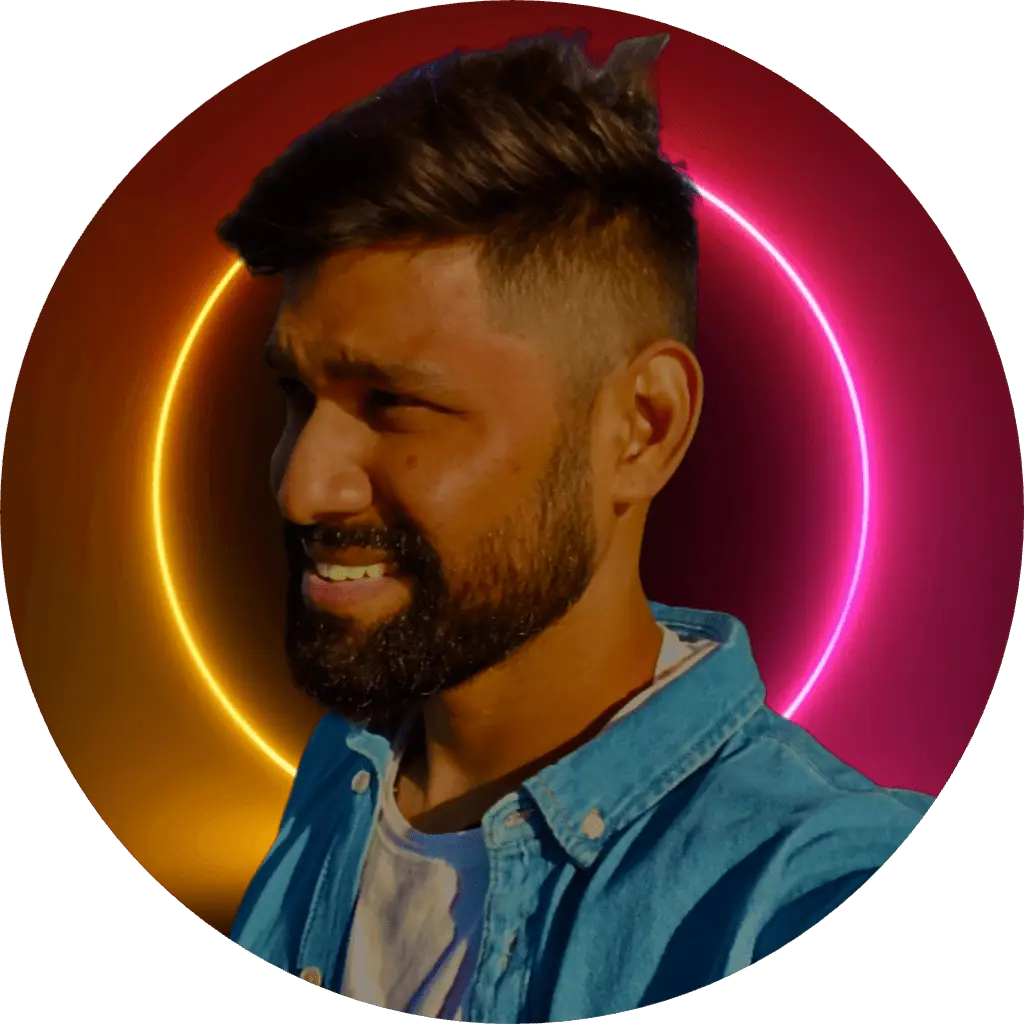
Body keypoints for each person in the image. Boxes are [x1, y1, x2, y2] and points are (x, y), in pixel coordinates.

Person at [219, 31, 933, 1023]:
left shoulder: (814, 891)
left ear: (642, 429)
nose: (302, 488)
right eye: (297, 395)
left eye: (396, 404)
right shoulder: (344, 775)